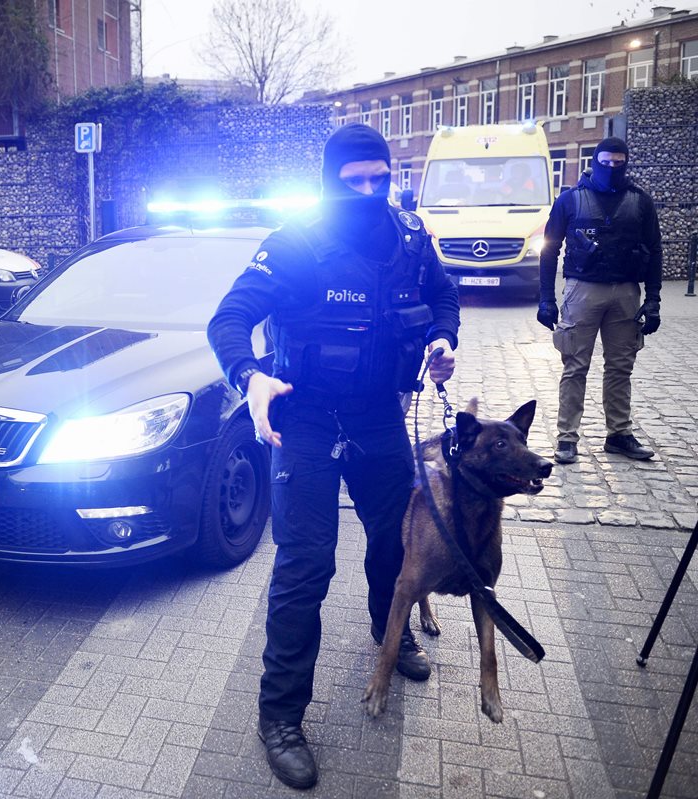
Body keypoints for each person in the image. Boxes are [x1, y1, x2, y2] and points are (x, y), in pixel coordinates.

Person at [207, 124, 460, 791]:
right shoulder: (297, 242)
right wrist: (249, 374)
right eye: (354, 182)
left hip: (380, 414)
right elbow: (228, 317)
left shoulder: (409, 238)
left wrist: (442, 337)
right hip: (306, 418)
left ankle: (390, 629)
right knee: (305, 562)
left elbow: (444, 295)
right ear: (330, 181)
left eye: (379, 178)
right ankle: (280, 716)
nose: (369, 190)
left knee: (395, 542)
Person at [537, 136, 662, 465]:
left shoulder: (641, 202)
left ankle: (619, 434)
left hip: (626, 292)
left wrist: (654, 301)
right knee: (575, 367)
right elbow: (549, 250)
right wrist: (546, 299)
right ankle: (566, 438)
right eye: (605, 162)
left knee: (621, 367)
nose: (612, 168)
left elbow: (655, 252)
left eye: (619, 163)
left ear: (626, 162)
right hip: (582, 291)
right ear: (594, 161)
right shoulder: (570, 201)